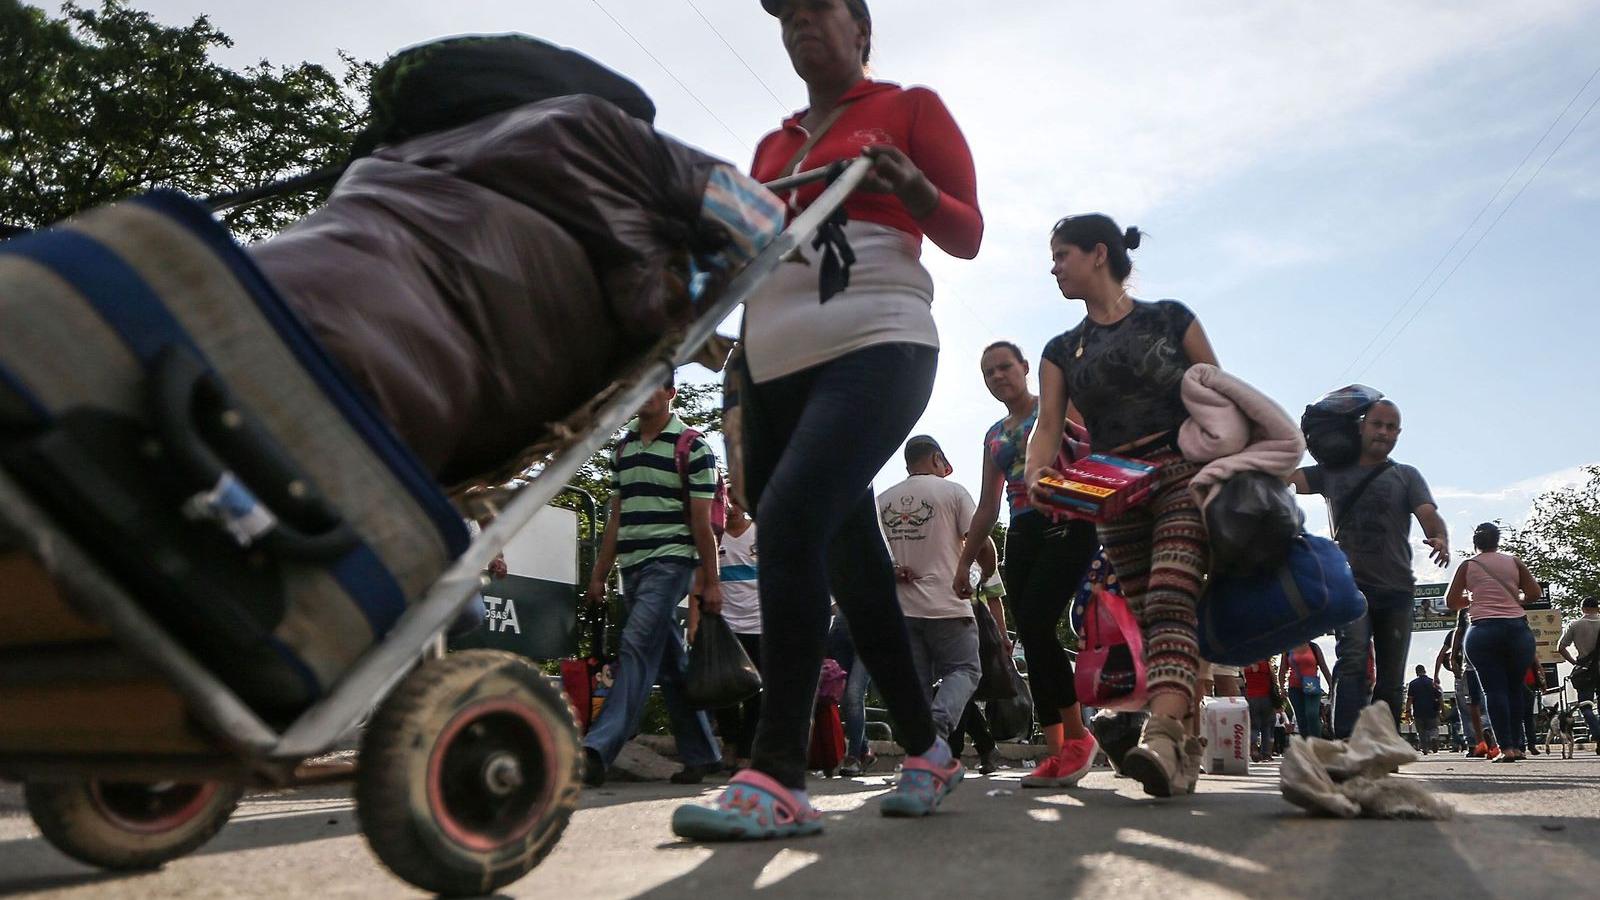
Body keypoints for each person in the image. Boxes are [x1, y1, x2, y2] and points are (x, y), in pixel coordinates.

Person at [673, 0, 983, 839]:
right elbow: (741, 249)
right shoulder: (773, 147)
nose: (801, 23)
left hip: (878, 344)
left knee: (793, 519)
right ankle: (928, 749)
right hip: (772, 368)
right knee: (848, 558)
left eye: (820, 9)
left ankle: (777, 772)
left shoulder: (908, 108)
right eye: (788, 15)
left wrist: (910, 185)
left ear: (862, 30)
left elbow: (966, 231)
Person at [1025, 213, 1220, 798]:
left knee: (1168, 599)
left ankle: (1158, 735)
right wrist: (1038, 471)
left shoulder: (1170, 318)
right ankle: (1182, 757)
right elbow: (1048, 425)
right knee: (1151, 613)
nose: (1054, 267)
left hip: (1183, 472)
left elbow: (1220, 393)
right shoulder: (1061, 350)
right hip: (1113, 491)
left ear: (1098, 254)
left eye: (1062, 254)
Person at [953, 340, 1100, 788]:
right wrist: (964, 565)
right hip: (1022, 534)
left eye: (1004, 367)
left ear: (1023, 367)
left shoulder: (1059, 406)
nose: (998, 376)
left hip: (1070, 523)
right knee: (1033, 642)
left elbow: (1099, 454)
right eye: (989, 372)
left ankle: (1079, 738)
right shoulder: (994, 435)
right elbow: (986, 506)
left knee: (1036, 625)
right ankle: (1057, 753)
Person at [583, 378, 725, 788]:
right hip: (634, 565)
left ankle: (596, 750)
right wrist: (600, 572)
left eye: (652, 387)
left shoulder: (693, 447)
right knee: (669, 661)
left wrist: (710, 582)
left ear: (670, 394)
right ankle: (703, 755)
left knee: (635, 644)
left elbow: (702, 524)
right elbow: (616, 518)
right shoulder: (623, 450)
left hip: (672, 561)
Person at [1291, 399, 1449, 737]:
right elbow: (1287, 479)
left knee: (1391, 678)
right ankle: (1347, 744)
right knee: (1352, 662)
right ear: (1360, 426)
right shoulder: (1332, 472)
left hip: (1398, 590)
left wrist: (1438, 538)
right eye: (1377, 424)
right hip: (1350, 588)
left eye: (1391, 427)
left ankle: (1381, 746)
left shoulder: (1406, 475)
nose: (1384, 432)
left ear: (1399, 434)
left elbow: (1428, 515)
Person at [878, 436, 994, 757]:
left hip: (902, 609)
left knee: (916, 685)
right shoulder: (953, 491)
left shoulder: (883, 500)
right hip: (948, 603)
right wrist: (984, 574)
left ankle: (920, 752)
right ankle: (937, 727)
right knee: (965, 670)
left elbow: (873, 558)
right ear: (936, 459)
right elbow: (981, 542)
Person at [1446, 523, 1543, 762]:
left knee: (1494, 690)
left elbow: (1451, 601)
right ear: (1498, 541)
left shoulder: (1469, 565)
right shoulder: (1514, 561)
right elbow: (1534, 593)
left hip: (1483, 631)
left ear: (1475, 543)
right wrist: (1514, 597)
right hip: (1517, 631)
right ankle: (1519, 747)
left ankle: (1506, 748)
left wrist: (1473, 599)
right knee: (1514, 689)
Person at [712, 498, 762, 769]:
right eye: (725, 501)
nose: (730, 508)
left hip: (759, 623)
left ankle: (746, 750)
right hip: (726, 624)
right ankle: (730, 742)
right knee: (724, 688)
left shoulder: (760, 533)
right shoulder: (714, 535)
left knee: (757, 691)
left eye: (735, 501)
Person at [1557, 595, 1600, 750]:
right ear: (1597, 608)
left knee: (1585, 706)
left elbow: (1561, 647)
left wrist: (1574, 663)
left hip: (1585, 670)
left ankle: (1597, 733)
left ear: (1582, 609)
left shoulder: (1575, 625)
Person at [1278, 642, 1331, 740]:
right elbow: (1282, 670)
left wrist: (1331, 686)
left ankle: (1316, 743)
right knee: (1301, 719)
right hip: (1294, 689)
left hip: (1312, 686)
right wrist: (1281, 688)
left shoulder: (1313, 647)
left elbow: (1324, 667)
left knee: (1312, 714)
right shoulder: (1288, 649)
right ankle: (1306, 746)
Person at [1243, 659, 1277, 762]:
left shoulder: (1246, 665)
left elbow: (1243, 681)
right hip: (1266, 698)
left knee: (1253, 725)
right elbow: (1274, 680)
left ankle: (1253, 746)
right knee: (1266, 726)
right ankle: (1266, 754)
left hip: (1251, 697)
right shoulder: (1266, 664)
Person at [1406, 665, 1442, 754]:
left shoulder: (1413, 683)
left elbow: (1410, 698)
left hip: (1418, 711)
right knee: (1433, 728)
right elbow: (1440, 697)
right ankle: (1433, 738)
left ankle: (1425, 748)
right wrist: (1442, 710)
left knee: (1421, 731)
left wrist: (1408, 711)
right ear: (1425, 671)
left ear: (1416, 672)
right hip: (1432, 710)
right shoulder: (1432, 682)